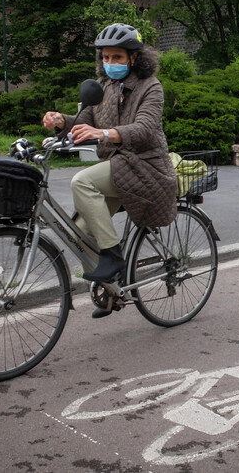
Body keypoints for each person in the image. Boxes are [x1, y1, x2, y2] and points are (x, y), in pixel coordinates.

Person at [42, 23, 177, 317]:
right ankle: (112, 289)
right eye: (105, 57)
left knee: (81, 182)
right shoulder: (104, 87)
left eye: (117, 57)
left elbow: (143, 129)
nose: (110, 63)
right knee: (78, 233)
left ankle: (112, 256)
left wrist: (102, 135)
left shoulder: (151, 87)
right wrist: (60, 121)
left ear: (133, 58)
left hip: (146, 167)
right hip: (117, 167)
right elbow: (85, 118)